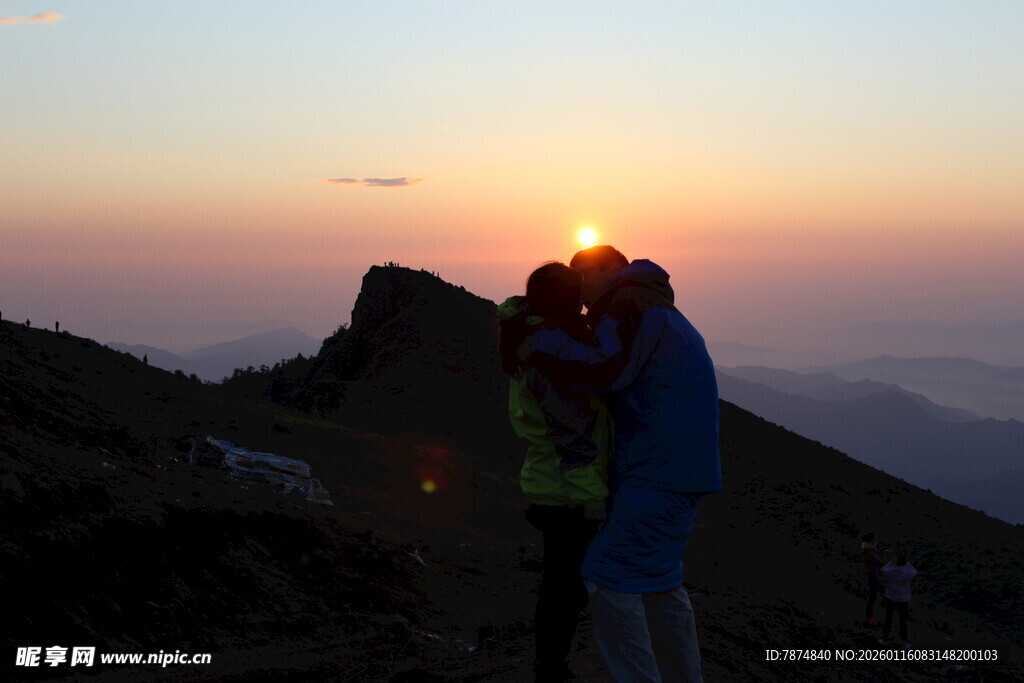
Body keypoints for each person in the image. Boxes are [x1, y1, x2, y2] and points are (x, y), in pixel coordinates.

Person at [523, 245, 722, 683]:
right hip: (683, 467)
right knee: (658, 582)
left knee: (607, 576)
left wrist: (539, 340)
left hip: (657, 470)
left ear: (613, 269)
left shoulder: (629, 301)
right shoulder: (654, 304)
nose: (579, 289)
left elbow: (606, 368)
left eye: (584, 276)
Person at [497, 262, 611, 683]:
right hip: (566, 491)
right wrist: (591, 499)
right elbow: (572, 437)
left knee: (562, 584)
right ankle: (551, 670)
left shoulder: (530, 338)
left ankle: (551, 665)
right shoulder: (548, 353)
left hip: (550, 482)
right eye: (578, 293)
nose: (585, 302)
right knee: (564, 590)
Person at [879, 554, 917, 647]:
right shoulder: (907, 572)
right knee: (903, 621)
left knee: (888, 619)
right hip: (903, 599)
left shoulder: (891, 570)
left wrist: (891, 563)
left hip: (891, 597)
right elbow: (915, 571)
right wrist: (906, 564)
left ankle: (885, 639)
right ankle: (904, 641)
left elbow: (883, 569)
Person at [860, 532, 885, 626]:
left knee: (872, 598)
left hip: (873, 576)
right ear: (871, 541)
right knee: (872, 598)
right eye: (875, 540)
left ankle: (870, 616)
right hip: (873, 577)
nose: (876, 542)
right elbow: (880, 561)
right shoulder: (870, 552)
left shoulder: (869, 551)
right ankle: (869, 618)